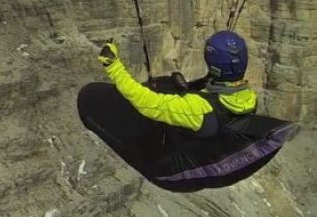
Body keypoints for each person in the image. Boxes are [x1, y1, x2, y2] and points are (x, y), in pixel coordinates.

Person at [77, 30, 296, 192]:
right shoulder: (248, 97)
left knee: (89, 97)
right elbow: (215, 95)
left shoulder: (197, 109)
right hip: (198, 153)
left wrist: (113, 65)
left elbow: (146, 102)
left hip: (167, 173)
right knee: (165, 85)